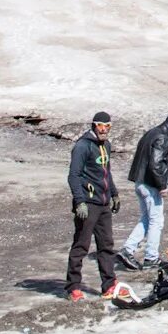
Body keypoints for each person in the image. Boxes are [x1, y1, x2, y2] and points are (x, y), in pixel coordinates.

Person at [65, 110, 121, 301]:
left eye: (108, 127)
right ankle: (73, 286)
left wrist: (114, 193)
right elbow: (74, 176)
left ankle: (109, 284)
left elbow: (106, 172)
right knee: (81, 245)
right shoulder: (82, 146)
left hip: (104, 203)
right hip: (88, 204)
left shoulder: (106, 145)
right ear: (93, 125)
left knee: (106, 246)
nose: (104, 130)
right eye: (100, 126)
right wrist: (79, 201)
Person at [119, 112, 168, 270]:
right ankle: (151, 257)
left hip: (140, 182)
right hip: (150, 185)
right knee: (157, 221)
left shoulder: (152, 132)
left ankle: (128, 249)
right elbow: (156, 164)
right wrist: (162, 185)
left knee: (147, 219)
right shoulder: (162, 138)